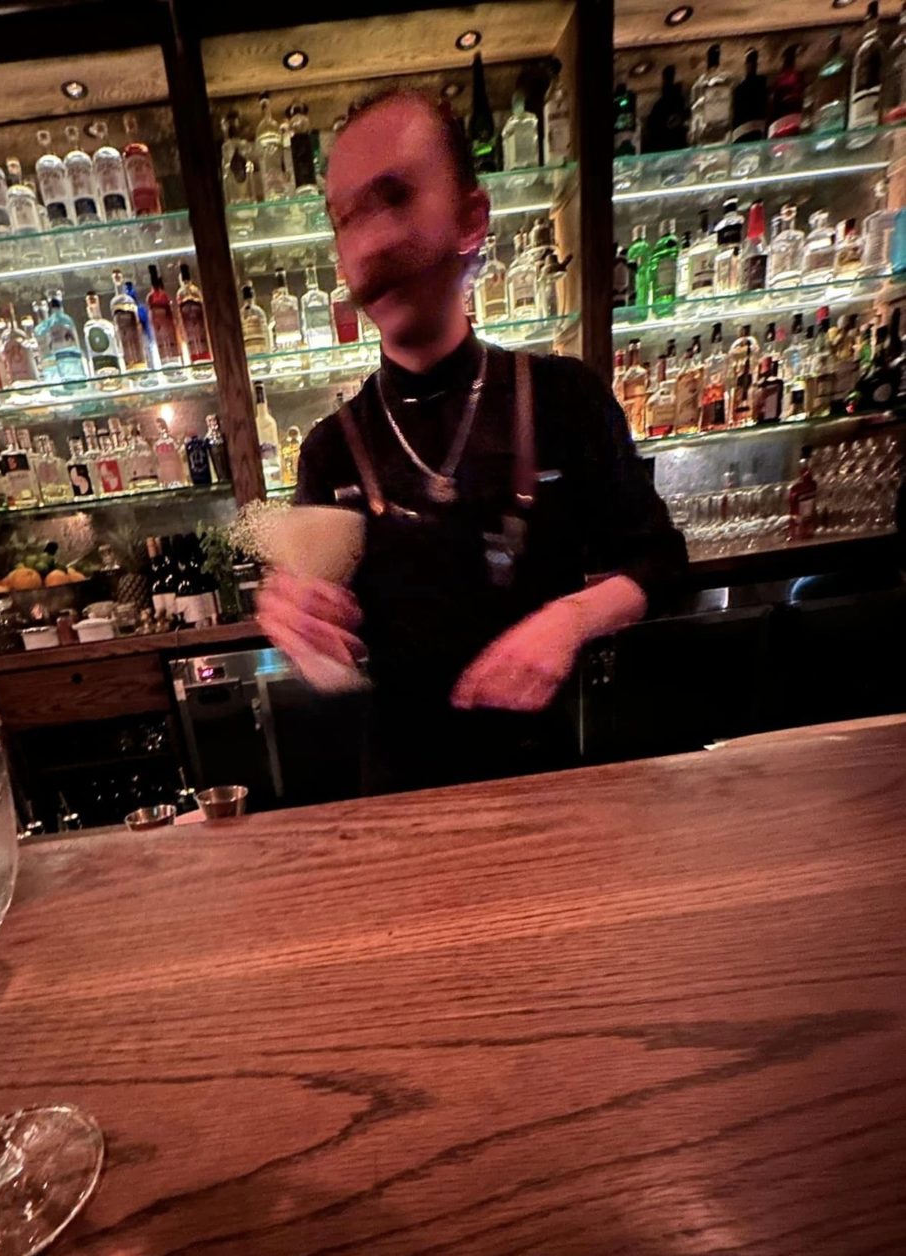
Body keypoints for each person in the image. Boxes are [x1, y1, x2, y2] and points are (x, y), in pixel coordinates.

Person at [258, 88, 687, 791]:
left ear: (471, 218)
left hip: (553, 782)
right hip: (398, 800)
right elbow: (330, 647)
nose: (369, 241)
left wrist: (568, 621)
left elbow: (661, 562)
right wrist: (295, 621)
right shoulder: (330, 448)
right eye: (346, 218)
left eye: (394, 197)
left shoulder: (563, 397)